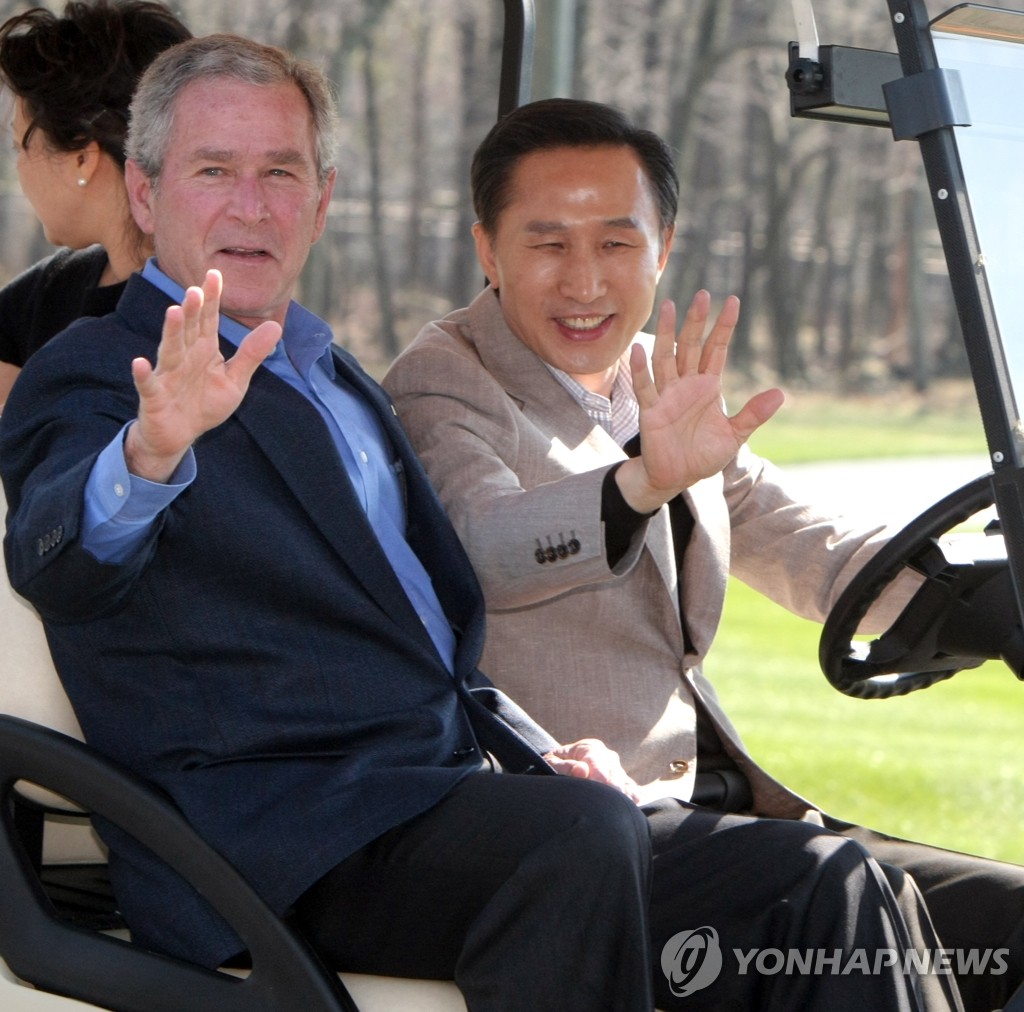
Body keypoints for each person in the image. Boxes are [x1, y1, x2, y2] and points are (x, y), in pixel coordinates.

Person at [0, 38, 968, 1012]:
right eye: (215, 171)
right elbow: (61, 557)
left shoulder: (334, 378)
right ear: (143, 191)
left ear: (321, 199)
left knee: (828, 877)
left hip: (438, 800)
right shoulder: (101, 371)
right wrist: (149, 454)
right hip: (277, 835)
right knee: (572, 841)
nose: (251, 205)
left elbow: (428, 651)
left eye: (280, 173)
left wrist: (533, 752)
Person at [383, 97, 1024, 1011]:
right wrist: (641, 483)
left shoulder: (656, 381)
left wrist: (983, 604)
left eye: (615, 243)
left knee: (1010, 916)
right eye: (547, 243)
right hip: (580, 835)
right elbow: (486, 547)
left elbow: (816, 547)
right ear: (487, 250)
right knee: (837, 897)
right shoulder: (442, 381)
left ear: (663, 248)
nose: (585, 281)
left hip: (717, 812)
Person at [0, 0, 191, 409]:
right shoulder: (46, 294)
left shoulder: (219, 313)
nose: (19, 167)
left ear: (83, 159)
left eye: (20, 145)